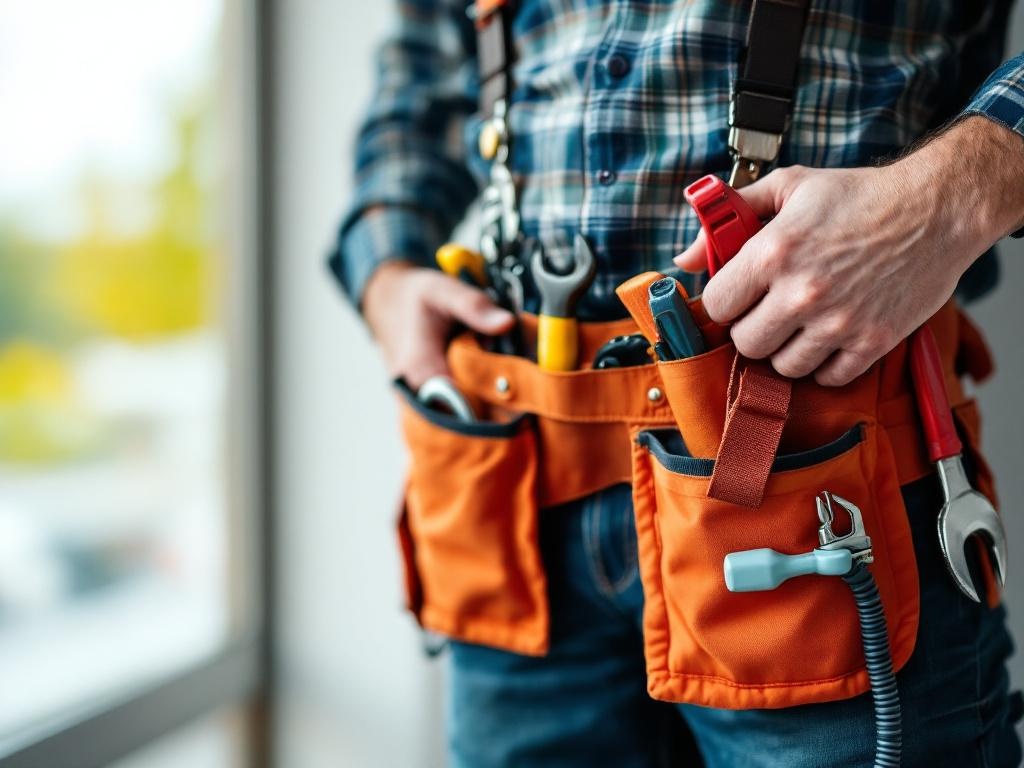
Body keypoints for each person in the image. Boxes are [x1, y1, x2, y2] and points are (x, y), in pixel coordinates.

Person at [330, 1, 1024, 766]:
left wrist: (948, 198)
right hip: (513, 508)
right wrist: (386, 266)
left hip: (812, 479)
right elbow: (419, 73)